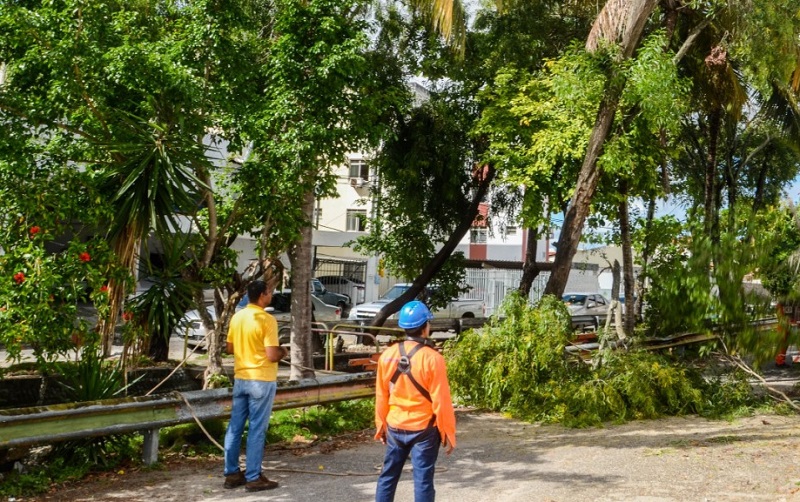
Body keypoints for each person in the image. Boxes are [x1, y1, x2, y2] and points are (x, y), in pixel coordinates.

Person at [374, 300, 457, 502]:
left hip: (395, 425)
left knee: (388, 476)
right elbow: (441, 399)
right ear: (425, 328)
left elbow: (381, 395)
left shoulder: (387, 356)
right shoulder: (432, 358)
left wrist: (381, 425)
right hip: (424, 429)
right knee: (423, 480)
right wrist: (448, 432)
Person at [222, 279, 289, 492]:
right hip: (261, 379)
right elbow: (271, 354)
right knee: (257, 430)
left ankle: (232, 473)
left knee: (235, 427)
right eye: (269, 292)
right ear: (262, 295)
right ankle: (253, 477)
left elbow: (229, 348)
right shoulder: (267, 319)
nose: (271, 295)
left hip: (241, 377)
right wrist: (283, 352)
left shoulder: (237, 316)